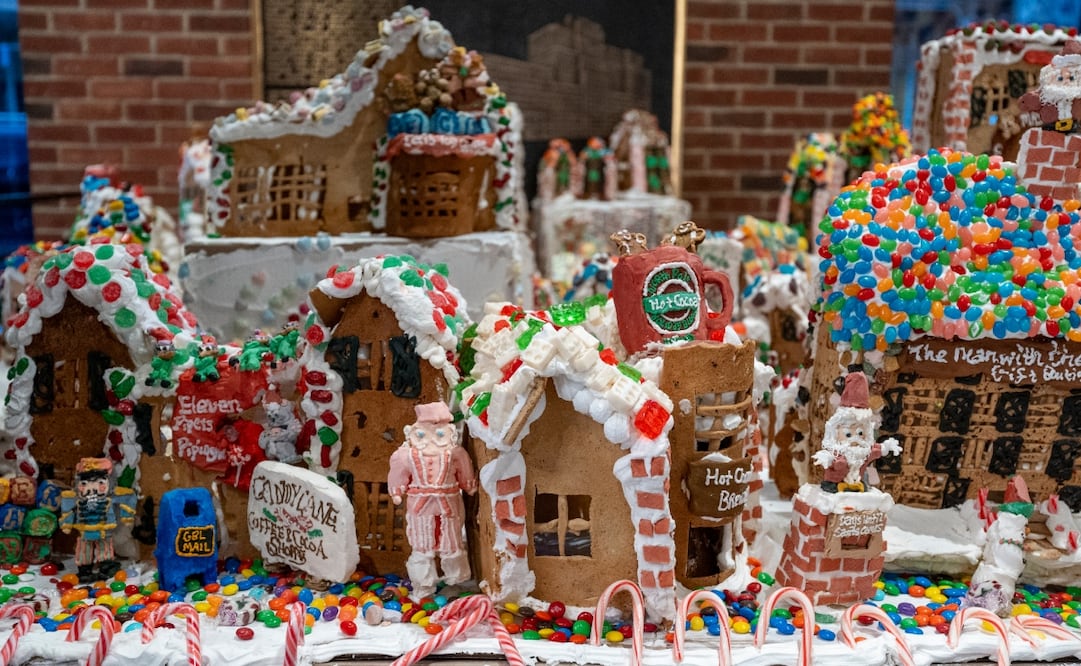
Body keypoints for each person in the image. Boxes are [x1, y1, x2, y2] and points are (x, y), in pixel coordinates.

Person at [388, 402, 477, 598]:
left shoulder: (455, 453)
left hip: (449, 503)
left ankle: (457, 582)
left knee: (452, 541)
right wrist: (397, 491)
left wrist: (468, 484)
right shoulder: (406, 455)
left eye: (439, 433)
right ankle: (423, 584)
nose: (430, 439)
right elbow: (398, 473)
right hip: (420, 506)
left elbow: (465, 469)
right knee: (421, 544)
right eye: (423, 433)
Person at [813, 372, 901, 492]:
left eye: (860, 433)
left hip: (857, 484)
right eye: (848, 434)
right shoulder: (836, 452)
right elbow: (829, 457)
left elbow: (876, 450)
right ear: (835, 432)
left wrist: (887, 446)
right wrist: (827, 458)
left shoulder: (864, 452)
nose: (855, 438)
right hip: (834, 485)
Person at [59, 458, 137, 581]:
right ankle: (84, 570)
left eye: (100, 483)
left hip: (104, 530)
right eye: (85, 483)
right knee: (84, 550)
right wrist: (66, 524)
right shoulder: (74, 498)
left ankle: (106, 567)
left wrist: (127, 517)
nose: (92, 488)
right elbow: (67, 507)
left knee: (105, 549)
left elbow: (127, 497)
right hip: (84, 531)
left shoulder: (113, 495)